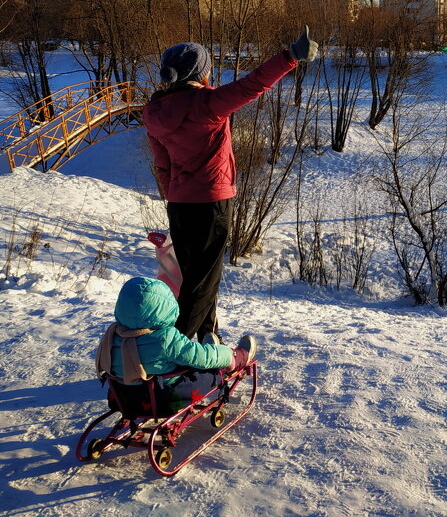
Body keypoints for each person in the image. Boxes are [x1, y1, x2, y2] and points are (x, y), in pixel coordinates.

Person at [144, 29, 318, 341]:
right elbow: (253, 85)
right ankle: (171, 351)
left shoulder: (155, 111)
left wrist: (176, 194)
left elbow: (162, 165)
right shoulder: (207, 104)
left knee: (194, 278)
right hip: (211, 202)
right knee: (203, 282)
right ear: (202, 73)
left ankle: (208, 338)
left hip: (180, 205)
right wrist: (290, 56)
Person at [96, 277, 256, 413]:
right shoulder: (165, 338)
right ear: (164, 308)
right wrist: (229, 355)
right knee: (206, 367)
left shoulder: (114, 334)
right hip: (165, 400)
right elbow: (203, 358)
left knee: (181, 356)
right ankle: (235, 358)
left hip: (125, 398)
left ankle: (209, 351)